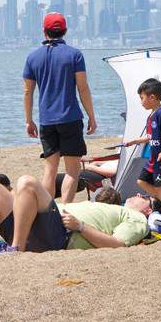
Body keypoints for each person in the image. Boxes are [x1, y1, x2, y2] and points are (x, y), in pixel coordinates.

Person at [0, 174, 150, 253]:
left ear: (148, 209)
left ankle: (16, 249)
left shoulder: (137, 218)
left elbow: (118, 245)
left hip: (59, 233)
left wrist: (81, 226)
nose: (139, 194)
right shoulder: (112, 208)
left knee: (27, 182)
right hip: (36, 223)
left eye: (147, 198)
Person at [23, 13, 97, 204]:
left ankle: (50, 213)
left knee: (50, 169)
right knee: (73, 170)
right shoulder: (75, 55)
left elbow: (27, 92)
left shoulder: (32, 57)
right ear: (64, 31)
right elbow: (83, 87)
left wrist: (28, 120)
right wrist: (91, 116)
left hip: (47, 121)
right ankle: (65, 209)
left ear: (44, 31)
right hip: (70, 118)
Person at [124, 78, 161, 219]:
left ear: (152, 97)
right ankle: (158, 199)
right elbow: (149, 136)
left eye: (142, 98)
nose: (141, 101)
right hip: (152, 160)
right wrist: (135, 140)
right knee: (141, 181)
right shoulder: (151, 116)